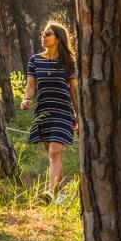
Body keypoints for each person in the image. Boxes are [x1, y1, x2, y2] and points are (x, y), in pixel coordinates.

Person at [21, 22, 79, 204]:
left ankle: (49, 193)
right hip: (44, 111)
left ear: (58, 38)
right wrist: (27, 99)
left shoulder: (68, 62)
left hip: (63, 111)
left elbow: (73, 91)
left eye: (48, 34)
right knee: (52, 154)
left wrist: (78, 115)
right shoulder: (35, 60)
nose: (43, 36)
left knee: (55, 152)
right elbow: (31, 85)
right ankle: (60, 194)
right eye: (43, 33)